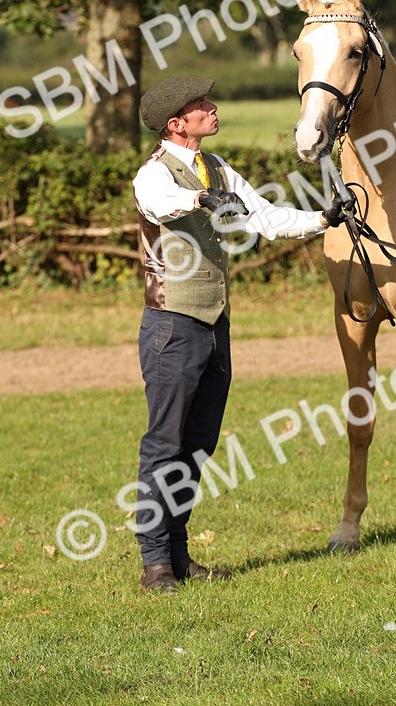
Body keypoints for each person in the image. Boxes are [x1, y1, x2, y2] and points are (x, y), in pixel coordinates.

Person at [132, 75, 348, 593]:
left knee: (199, 442)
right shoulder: (154, 173)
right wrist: (203, 199)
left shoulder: (219, 168)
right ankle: (154, 561)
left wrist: (324, 218)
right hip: (172, 325)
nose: (212, 106)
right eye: (200, 104)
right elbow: (161, 204)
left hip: (213, 324)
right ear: (176, 124)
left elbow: (266, 219)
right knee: (165, 442)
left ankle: (179, 555)